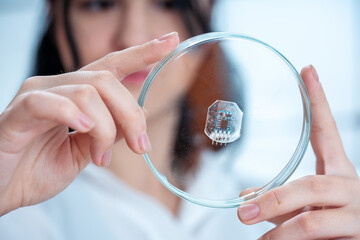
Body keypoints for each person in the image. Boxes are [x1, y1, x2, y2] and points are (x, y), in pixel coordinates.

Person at [0, 0, 359, 239]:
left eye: (169, 1)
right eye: (100, 2)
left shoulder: (280, 213)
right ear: (55, 18)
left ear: (208, 15)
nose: (133, 35)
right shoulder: (15, 213)